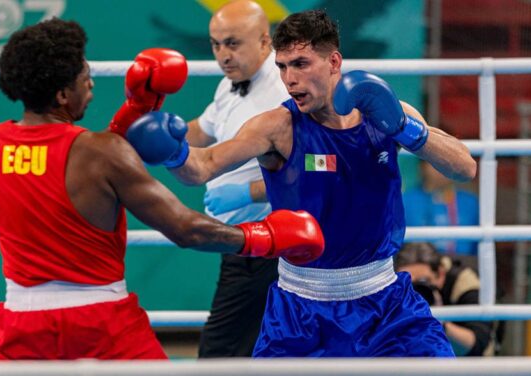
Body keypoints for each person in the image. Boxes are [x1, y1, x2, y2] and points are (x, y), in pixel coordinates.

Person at [127, 9, 477, 357]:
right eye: (282, 66)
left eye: (301, 64)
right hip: (301, 311)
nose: (289, 78)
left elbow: (464, 167)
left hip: (385, 302)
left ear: (334, 61)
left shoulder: (385, 113)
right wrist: (172, 151)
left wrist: (404, 128)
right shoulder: (277, 126)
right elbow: (202, 167)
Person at [0, 18, 324, 360]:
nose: (92, 86)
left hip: (18, 324)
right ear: (63, 94)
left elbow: (60, 162)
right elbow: (186, 229)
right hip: (101, 322)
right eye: (86, 78)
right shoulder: (101, 153)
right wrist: (264, 237)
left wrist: (137, 112)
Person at [187, 0, 289, 358]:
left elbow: (309, 173)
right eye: (216, 45)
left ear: (264, 42)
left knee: (220, 352)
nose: (223, 55)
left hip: (271, 244)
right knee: (256, 350)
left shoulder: (284, 92)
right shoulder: (229, 85)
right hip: (242, 244)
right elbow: (200, 131)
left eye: (233, 43)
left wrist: (248, 192)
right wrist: (147, 134)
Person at [395, 242, 497, 356]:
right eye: (408, 283)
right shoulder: (394, 287)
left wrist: (438, 322)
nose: (416, 291)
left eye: (423, 282)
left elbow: (477, 346)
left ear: (441, 273)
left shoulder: (465, 283)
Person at [404, 160, 479, 256]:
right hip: (418, 266)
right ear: (422, 167)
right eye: (435, 161)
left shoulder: (470, 202)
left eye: (447, 162)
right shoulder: (405, 201)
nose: (442, 168)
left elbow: (478, 249)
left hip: (463, 265)